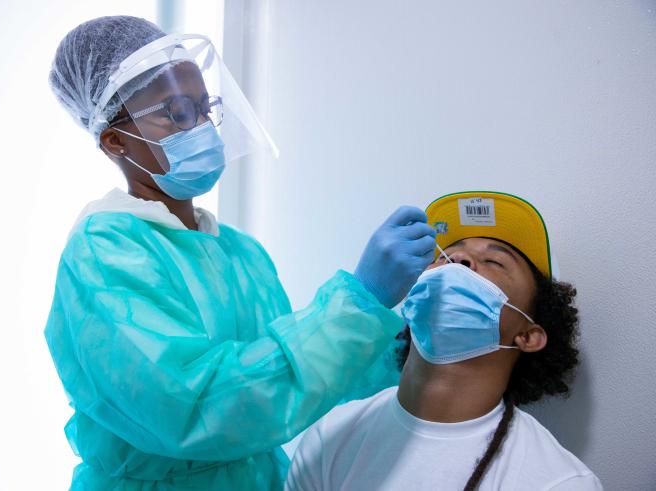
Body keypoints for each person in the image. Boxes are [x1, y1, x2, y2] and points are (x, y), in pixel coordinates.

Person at [44, 16, 437, 490]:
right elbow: (194, 409)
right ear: (115, 140)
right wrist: (361, 300)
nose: (202, 127)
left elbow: (296, 386)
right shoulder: (105, 251)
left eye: (205, 108)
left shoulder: (238, 252)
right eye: (175, 112)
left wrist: (405, 345)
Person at [286, 191, 603, 491]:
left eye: (495, 262)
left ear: (528, 335)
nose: (460, 259)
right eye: (446, 255)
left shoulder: (557, 482)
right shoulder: (331, 438)